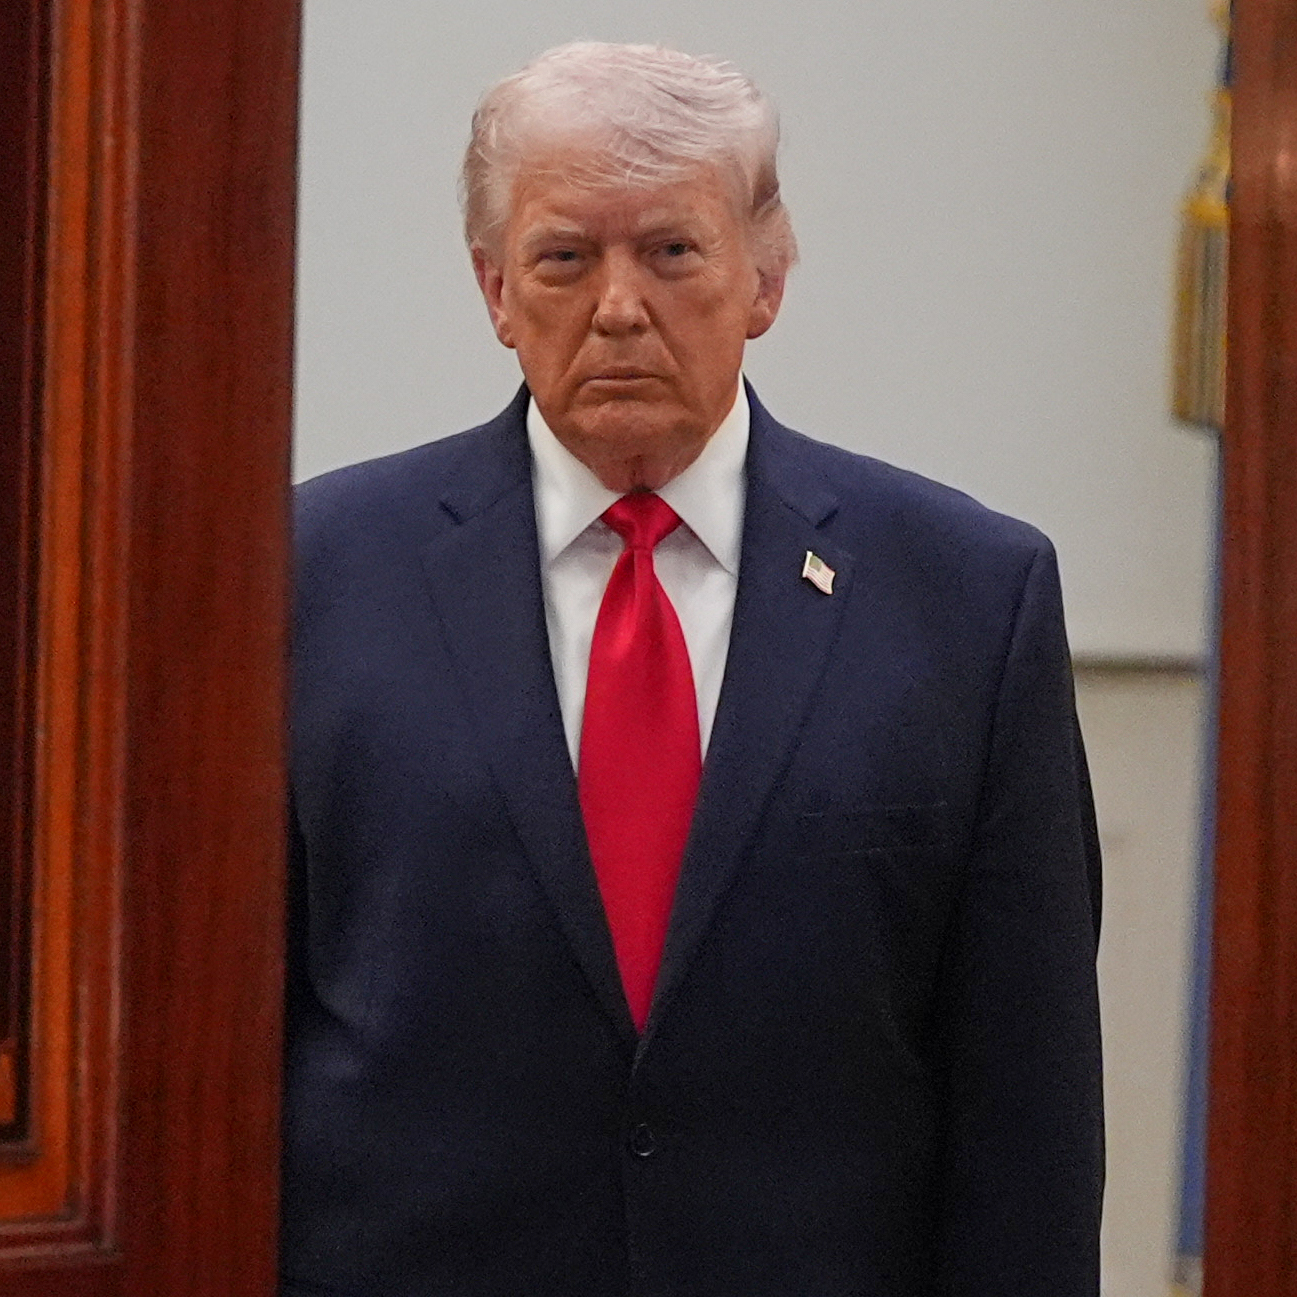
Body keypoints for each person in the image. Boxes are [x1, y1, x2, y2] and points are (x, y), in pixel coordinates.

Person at [281, 41, 1103, 1297]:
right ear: (495, 290)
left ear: (765, 278)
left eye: (671, 251)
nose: (619, 306)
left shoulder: (967, 599)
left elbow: (1026, 1101)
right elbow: (219, 1046)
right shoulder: (310, 576)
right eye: (565, 258)